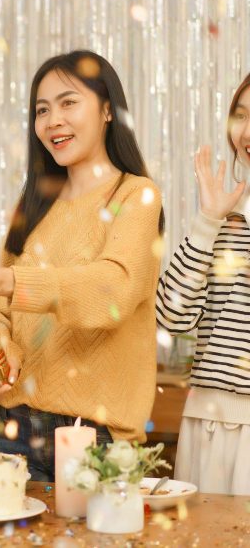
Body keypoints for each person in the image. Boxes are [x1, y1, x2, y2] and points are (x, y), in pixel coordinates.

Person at [0, 50, 164, 481]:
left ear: (107, 110)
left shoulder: (136, 195)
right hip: (13, 429)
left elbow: (113, 290)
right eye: (42, 110)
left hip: (98, 439)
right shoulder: (33, 203)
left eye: (68, 103)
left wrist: (9, 281)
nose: (52, 121)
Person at [156, 73, 250, 495]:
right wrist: (207, 221)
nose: (246, 132)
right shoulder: (225, 216)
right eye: (240, 116)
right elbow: (171, 317)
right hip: (207, 423)